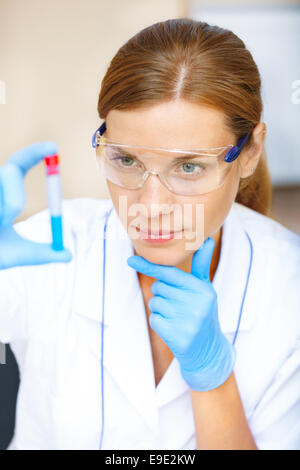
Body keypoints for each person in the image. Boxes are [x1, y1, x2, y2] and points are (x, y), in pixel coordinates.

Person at [0, 18, 300, 450]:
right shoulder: (51, 246)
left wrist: (213, 378)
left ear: (249, 153)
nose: (150, 206)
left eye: (189, 167)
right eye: (126, 161)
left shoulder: (288, 286)